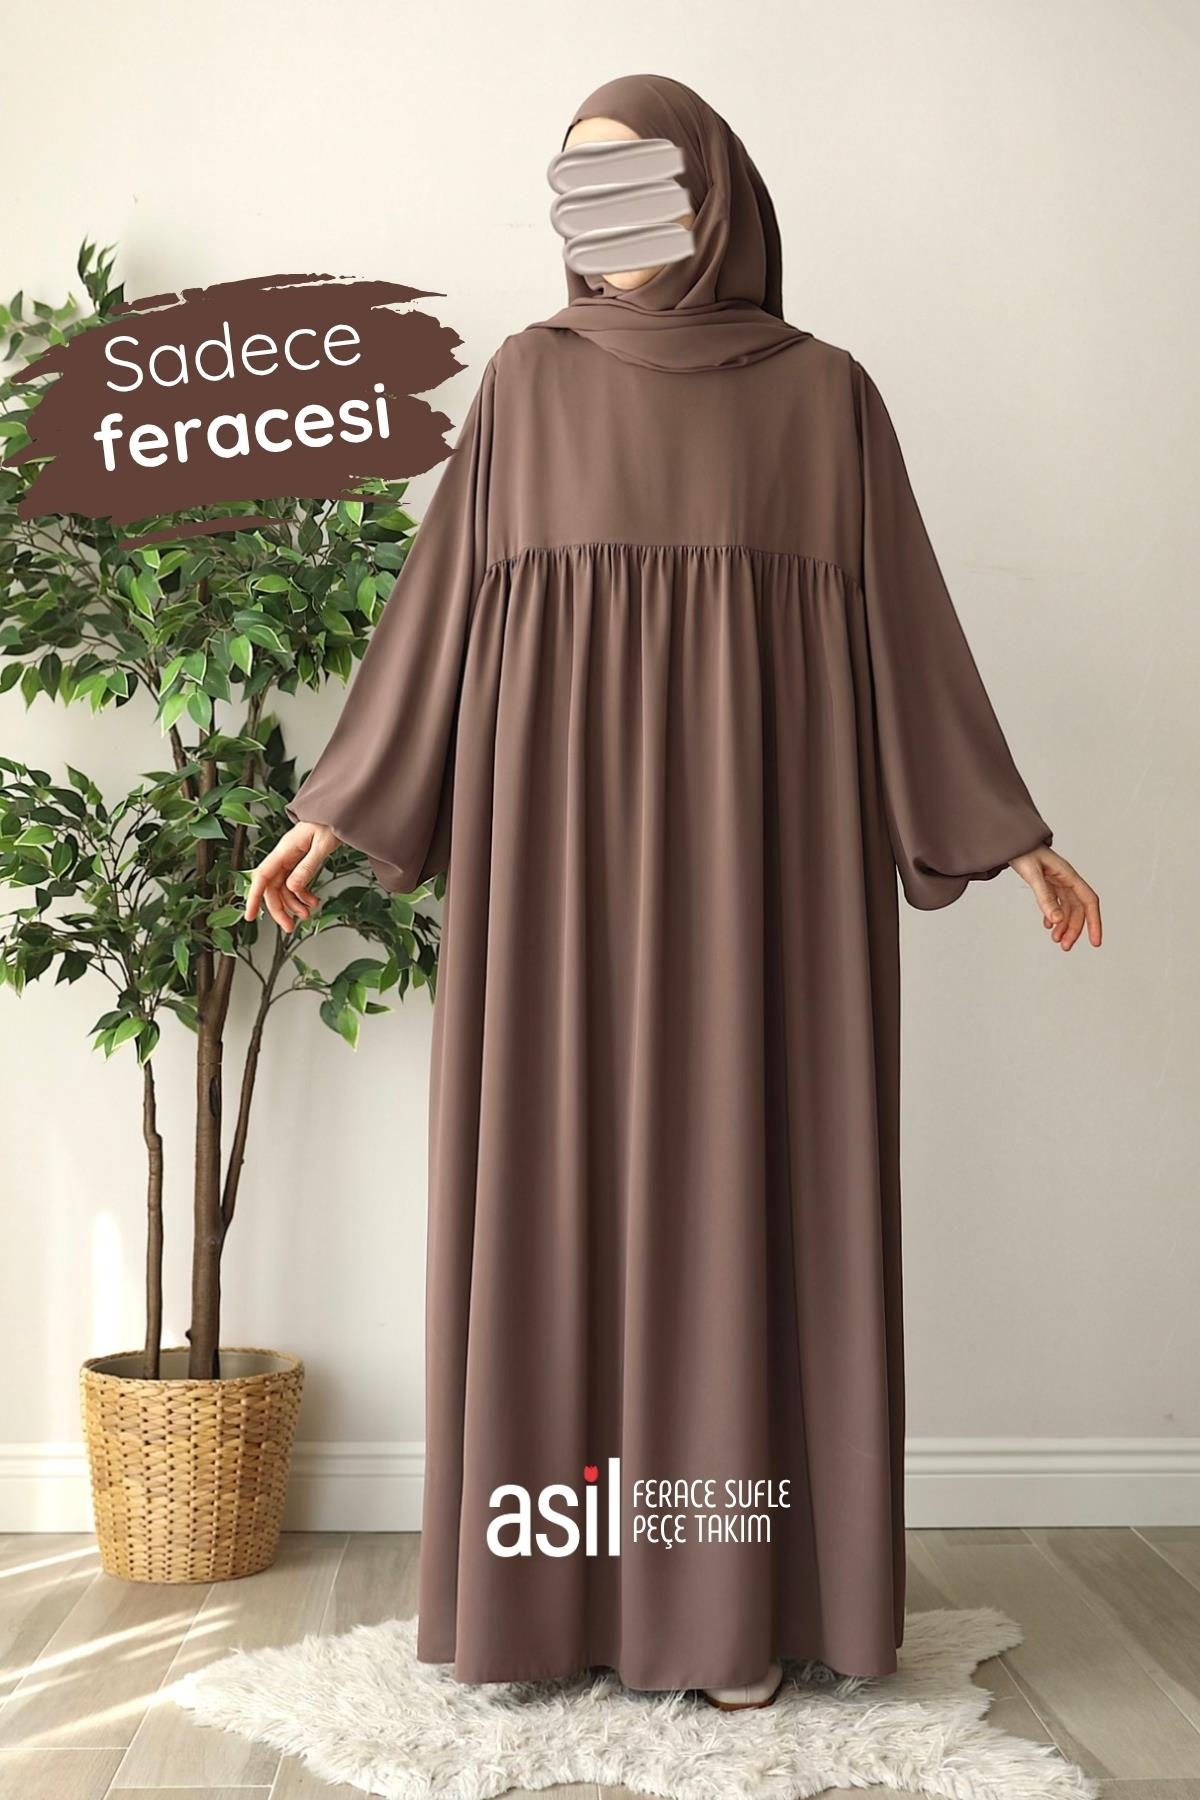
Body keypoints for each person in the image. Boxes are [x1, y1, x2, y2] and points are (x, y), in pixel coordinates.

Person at [245, 73, 1101, 1711]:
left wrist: (1008, 834)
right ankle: (546, 1605)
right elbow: (438, 623)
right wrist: (336, 813)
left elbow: (907, 632)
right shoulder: (525, 383)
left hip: (769, 881)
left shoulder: (826, 398)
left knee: (751, 1200)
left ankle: (733, 1612)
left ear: (716, 198)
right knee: (554, 1193)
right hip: (552, 882)